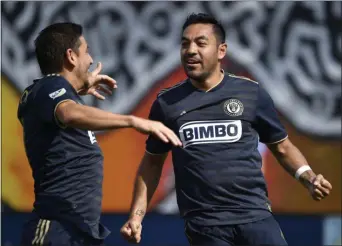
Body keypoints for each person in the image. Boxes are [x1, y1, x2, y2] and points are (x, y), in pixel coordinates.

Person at [120, 13, 333, 246]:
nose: (191, 50)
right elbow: (152, 163)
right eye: (185, 44)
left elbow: (281, 146)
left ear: (221, 51)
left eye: (201, 43)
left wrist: (309, 178)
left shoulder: (251, 93)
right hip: (205, 225)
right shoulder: (167, 103)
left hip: (255, 217)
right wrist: (136, 217)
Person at [18, 22, 182, 246]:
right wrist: (132, 121)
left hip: (79, 232)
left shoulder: (52, 95)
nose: (91, 60)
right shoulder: (49, 87)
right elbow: (67, 113)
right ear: (71, 56)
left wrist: (75, 89)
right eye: (86, 51)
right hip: (56, 230)